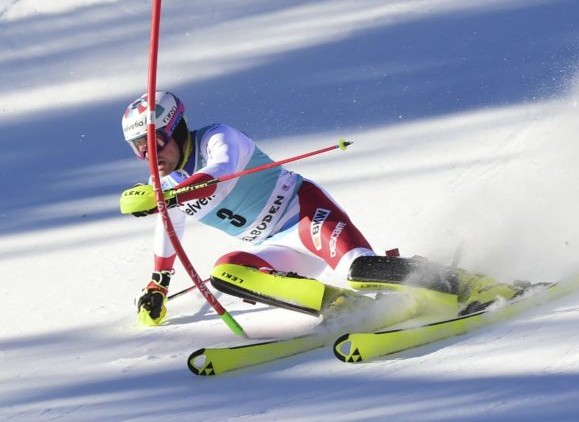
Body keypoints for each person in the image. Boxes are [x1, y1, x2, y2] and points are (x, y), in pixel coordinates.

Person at [119, 91, 525, 326]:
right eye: (139, 151)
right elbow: (169, 231)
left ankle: (475, 284)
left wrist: (169, 195)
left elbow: (219, 172)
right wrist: (159, 284)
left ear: (175, 129)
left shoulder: (219, 138)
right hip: (273, 246)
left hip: (302, 213)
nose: (149, 158)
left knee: (359, 270)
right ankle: (344, 308)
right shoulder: (165, 183)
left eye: (153, 144)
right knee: (227, 273)